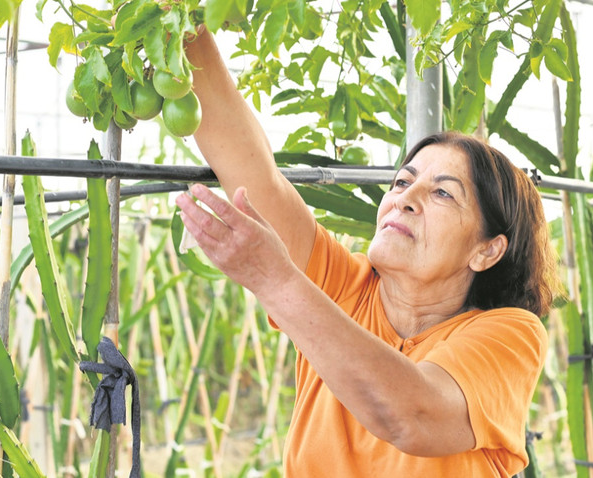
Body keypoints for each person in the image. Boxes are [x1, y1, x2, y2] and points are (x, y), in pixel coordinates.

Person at [174, 27, 559, 476]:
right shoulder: (342, 286)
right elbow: (255, 171)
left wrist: (276, 280)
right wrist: (183, 25)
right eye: (402, 181)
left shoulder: (510, 334)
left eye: (443, 194)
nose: (405, 197)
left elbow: (410, 416)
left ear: (487, 251)